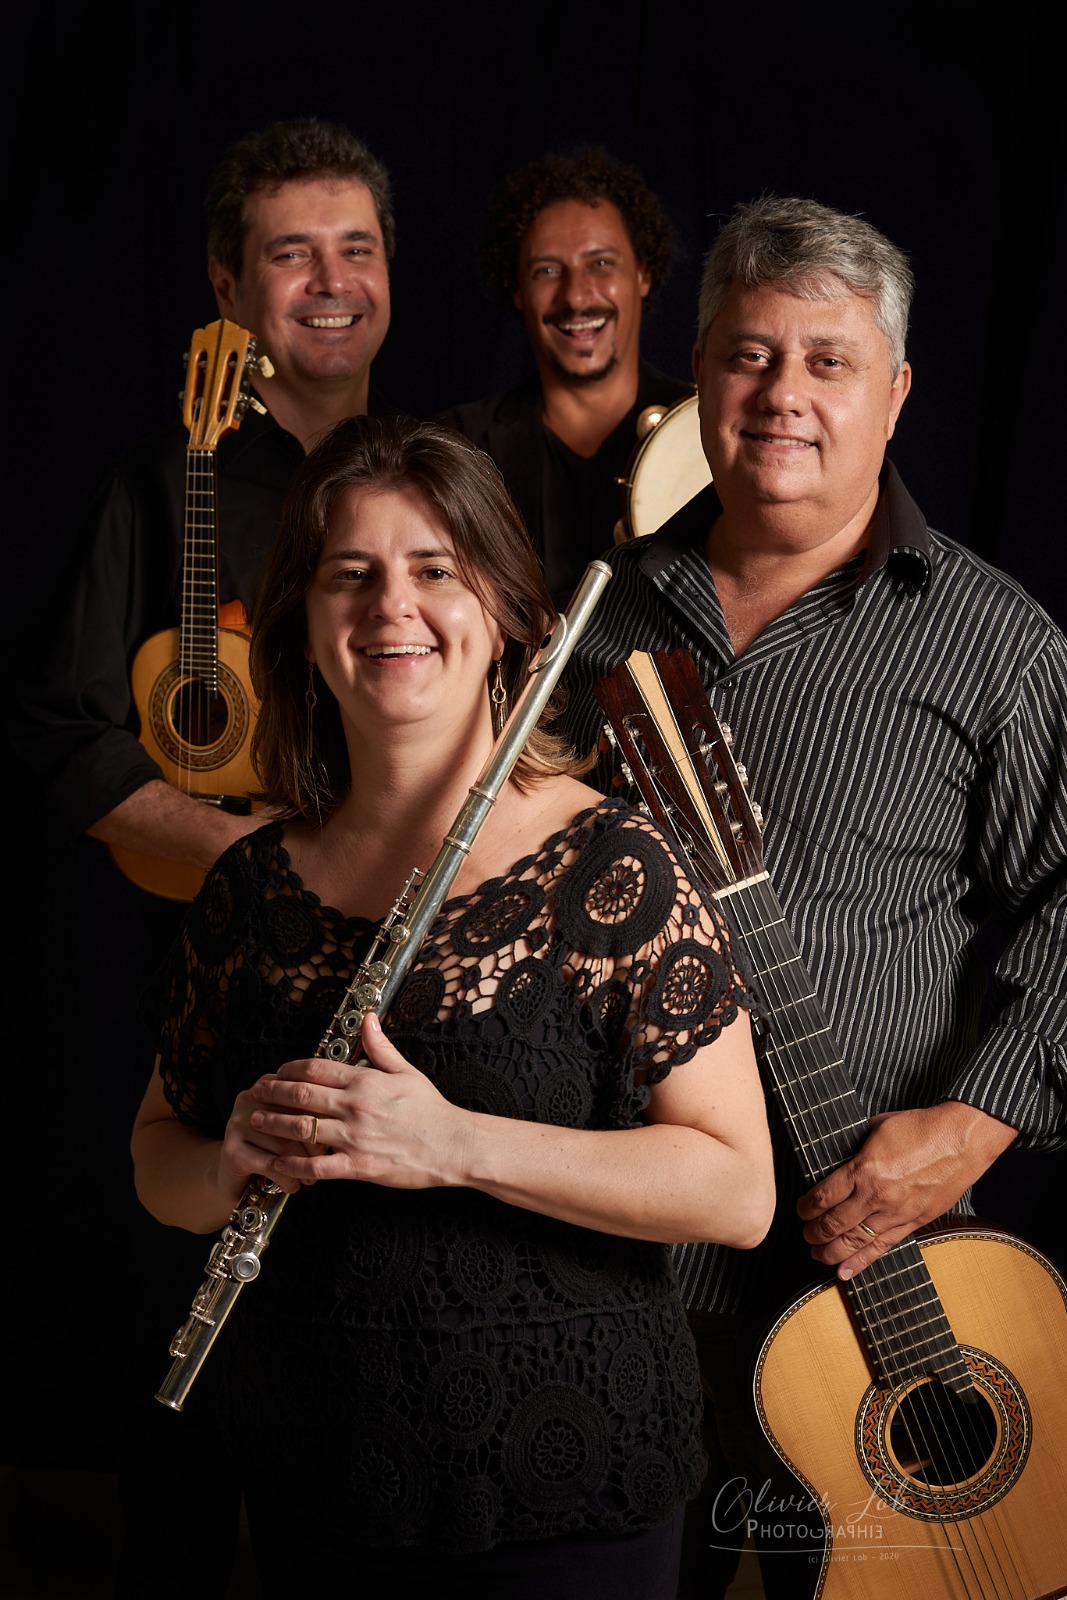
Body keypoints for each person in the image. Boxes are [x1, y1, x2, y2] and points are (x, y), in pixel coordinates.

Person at [129, 413, 775, 1600]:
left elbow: (734, 1192)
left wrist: (452, 1145)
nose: (391, 609)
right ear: (305, 625)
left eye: (434, 570)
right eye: (351, 574)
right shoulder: (251, 884)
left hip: (565, 1491)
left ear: (506, 619)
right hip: (311, 1478)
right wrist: (227, 1160)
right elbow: (154, 1160)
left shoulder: (611, 863)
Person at [555, 195, 1067, 1598]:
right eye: (746, 354)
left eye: (825, 360)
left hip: (862, 1284)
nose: (779, 396)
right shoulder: (582, 621)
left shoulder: (992, 642)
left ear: (893, 393)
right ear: (701, 375)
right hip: (607, 1271)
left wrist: (974, 1122)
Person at [4, 117, 397, 1597]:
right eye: (291, 253)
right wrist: (244, 861)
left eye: (356, 248)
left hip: (381, 976)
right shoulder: (153, 488)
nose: (330, 282)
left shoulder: (431, 478)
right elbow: (59, 733)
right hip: (178, 977)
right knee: (174, 1343)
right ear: (229, 288)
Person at [437, 147, 694, 608]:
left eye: (601, 263)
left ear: (643, 274)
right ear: (518, 290)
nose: (576, 297)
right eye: (548, 270)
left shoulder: (704, 433)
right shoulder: (455, 445)